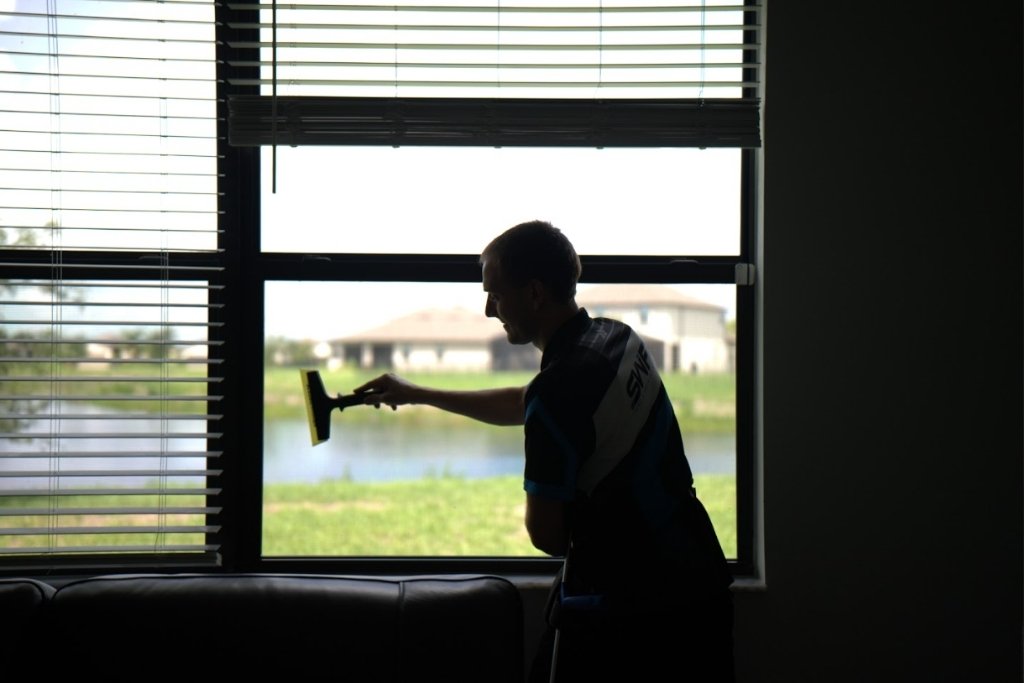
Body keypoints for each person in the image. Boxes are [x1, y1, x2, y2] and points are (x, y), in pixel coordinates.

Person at [354, 220, 735, 682]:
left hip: (639, 609)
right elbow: (531, 400)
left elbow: (547, 535)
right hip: (696, 571)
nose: (490, 308)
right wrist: (420, 393)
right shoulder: (616, 338)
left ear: (534, 293)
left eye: (495, 293)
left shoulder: (559, 392)